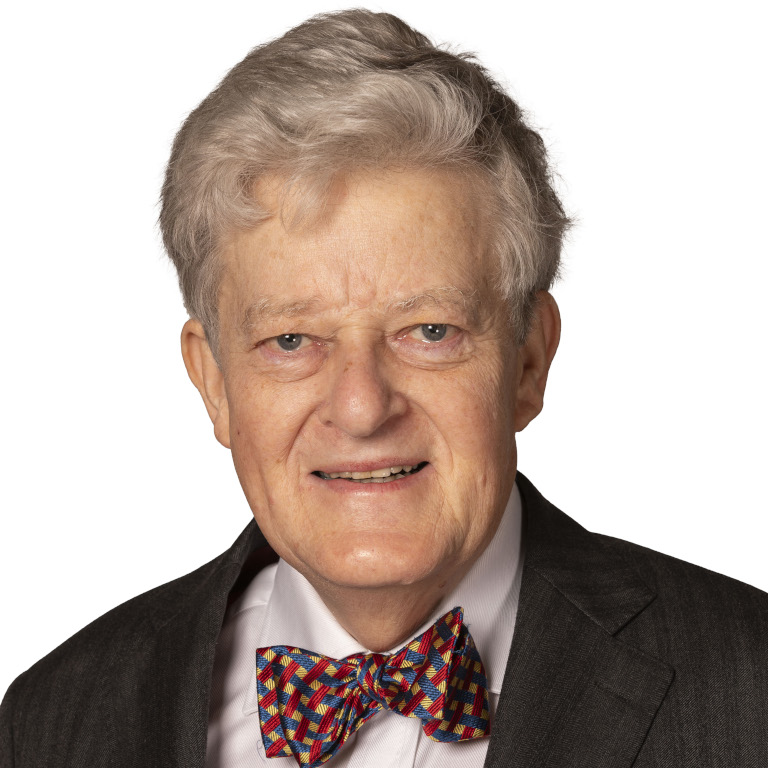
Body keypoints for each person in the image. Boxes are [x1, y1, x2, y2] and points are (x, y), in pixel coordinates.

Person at [2, 9, 766, 767]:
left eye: (429, 331)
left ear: (529, 361)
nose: (362, 408)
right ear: (215, 384)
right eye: (290, 341)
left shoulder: (750, 687)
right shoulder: (51, 723)